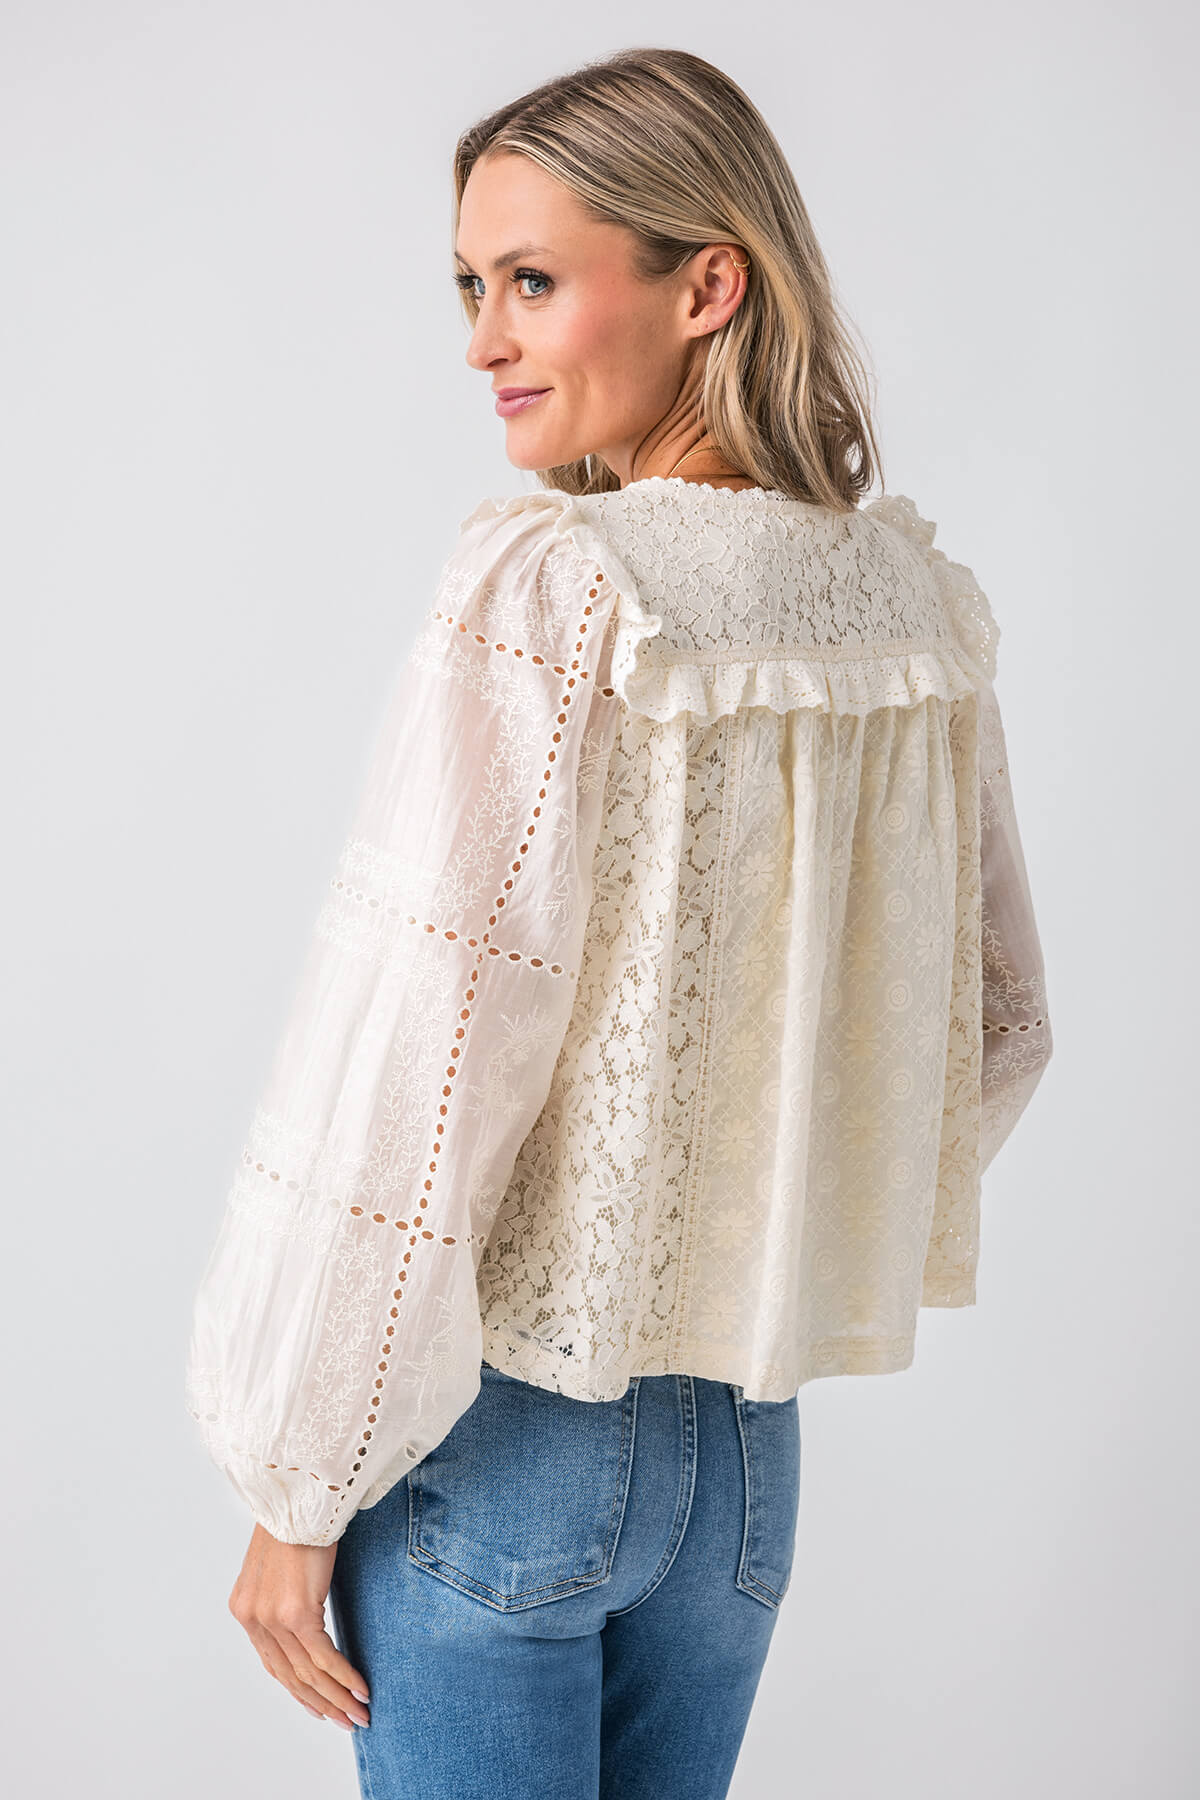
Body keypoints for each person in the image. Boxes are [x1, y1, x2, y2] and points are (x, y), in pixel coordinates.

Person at [184, 46, 1054, 1800]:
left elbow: (428, 1055)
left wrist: (296, 1480)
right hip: (743, 1474)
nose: (482, 341)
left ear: (706, 285)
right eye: (469, 287)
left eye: (531, 281)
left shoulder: (555, 583)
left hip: (501, 1450)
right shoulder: (910, 605)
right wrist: (766, 1226)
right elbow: (997, 1025)